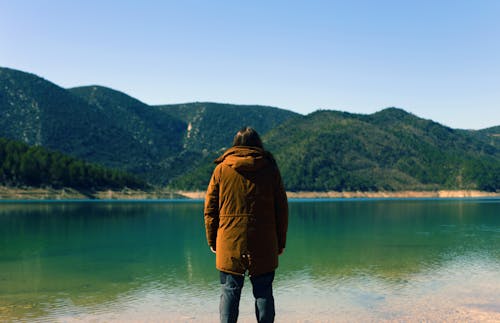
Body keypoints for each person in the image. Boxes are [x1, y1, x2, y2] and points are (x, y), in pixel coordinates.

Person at [204, 126, 289, 323]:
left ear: (235, 145)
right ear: (259, 144)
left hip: (229, 240)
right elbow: (281, 209)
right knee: (263, 292)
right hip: (265, 241)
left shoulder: (221, 169)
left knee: (229, 291)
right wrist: (280, 242)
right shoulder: (270, 168)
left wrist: (212, 240)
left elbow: (210, 210)